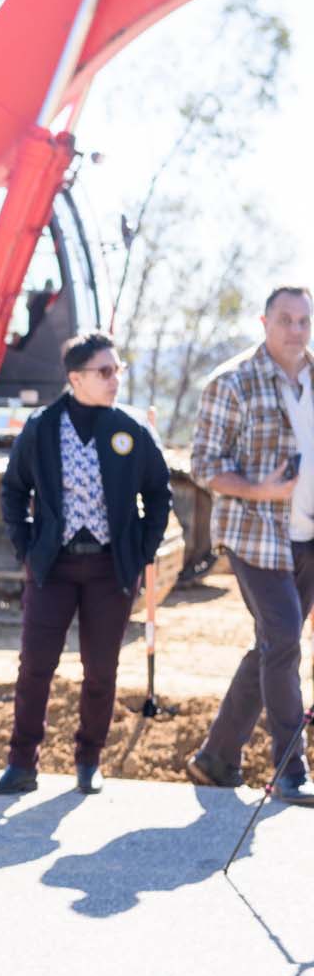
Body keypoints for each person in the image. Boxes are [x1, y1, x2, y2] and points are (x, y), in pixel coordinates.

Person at [0, 329, 171, 797]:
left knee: (101, 670)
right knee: (35, 666)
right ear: (75, 378)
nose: (115, 379)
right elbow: (13, 491)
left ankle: (89, 760)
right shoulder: (43, 427)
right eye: (104, 371)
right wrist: (27, 550)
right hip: (53, 568)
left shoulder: (131, 429)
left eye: (118, 369)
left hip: (111, 570)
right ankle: (21, 763)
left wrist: (142, 552)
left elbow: (159, 493)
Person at [187, 285, 314, 802]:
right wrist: (261, 490)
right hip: (256, 536)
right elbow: (203, 465)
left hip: (309, 537)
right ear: (264, 322)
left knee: (273, 644)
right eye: (285, 319)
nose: (296, 330)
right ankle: (290, 769)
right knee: (283, 640)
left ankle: (216, 758)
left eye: (304, 320)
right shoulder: (233, 382)